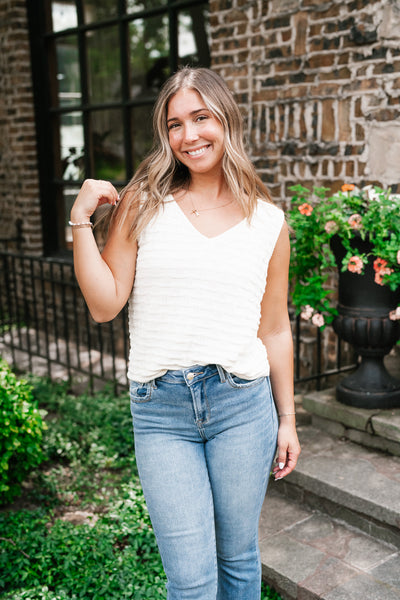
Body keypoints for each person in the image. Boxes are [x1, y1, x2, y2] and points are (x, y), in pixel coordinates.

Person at [70, 66, 301, 600]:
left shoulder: (268, 222)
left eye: (201, 117)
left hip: (243, 405)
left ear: (226, 120)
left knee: (239, 559)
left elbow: (274, 328)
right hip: (162, 411)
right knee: (191, 581)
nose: (189, 135)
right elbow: (105, 305)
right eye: (175, 124)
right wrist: (80, 222)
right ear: (165, 134)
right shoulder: (143, 204)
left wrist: (287, 420)